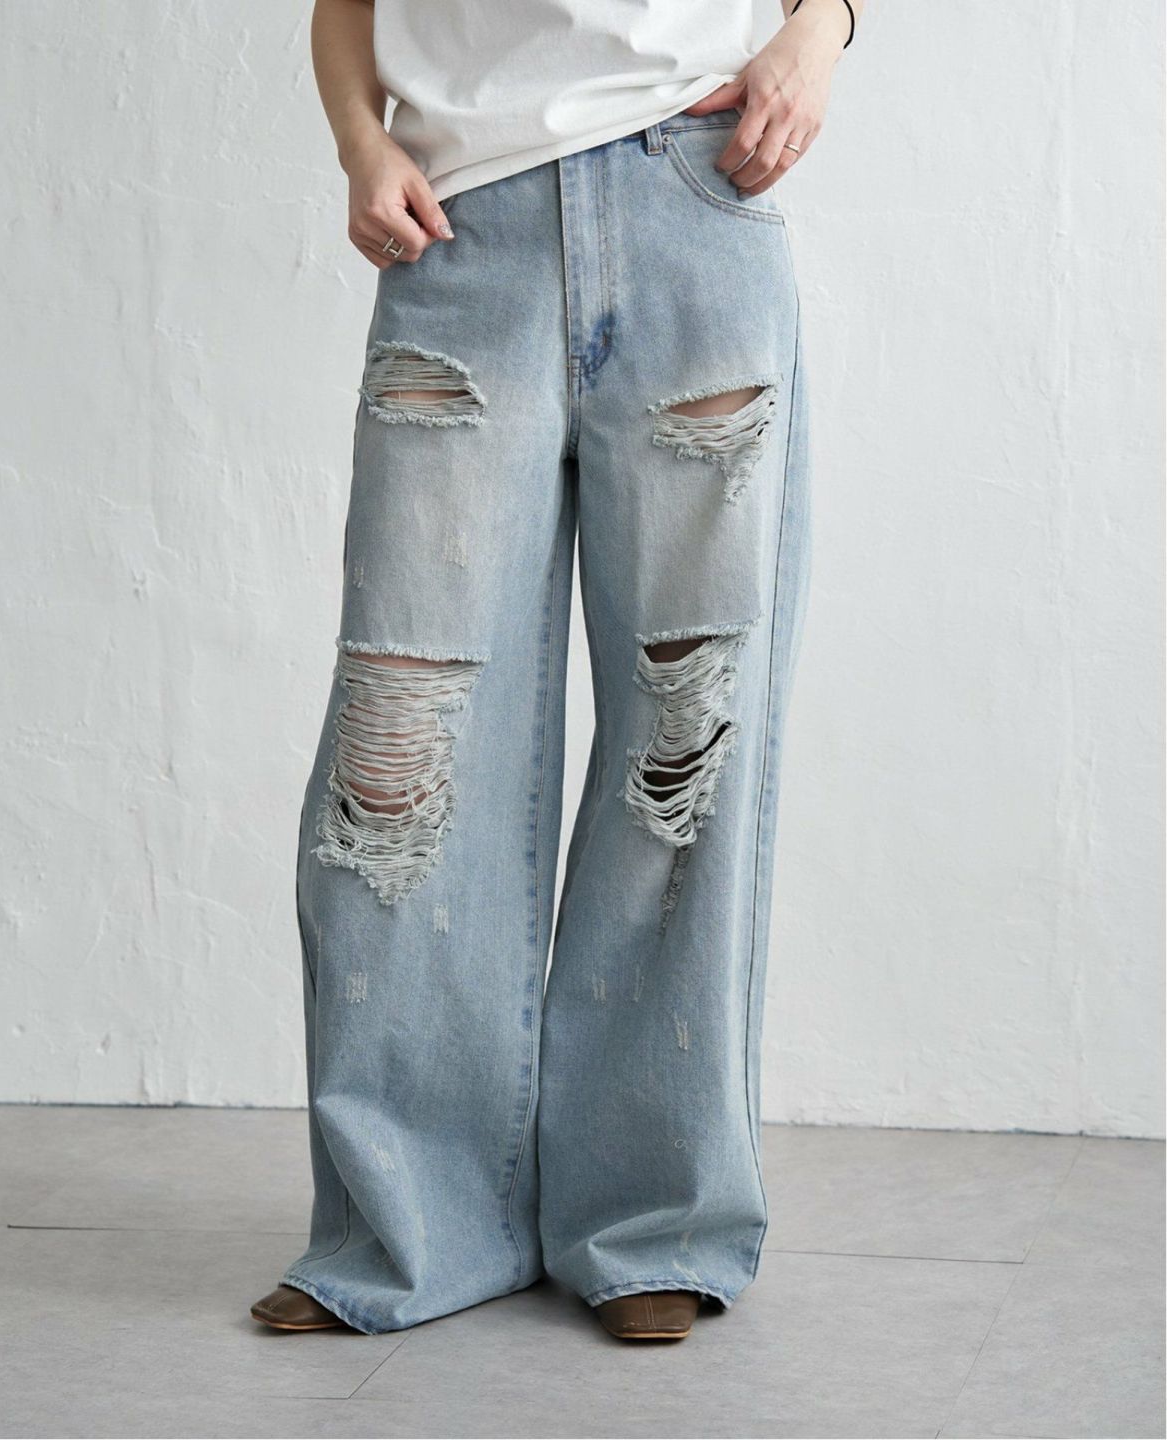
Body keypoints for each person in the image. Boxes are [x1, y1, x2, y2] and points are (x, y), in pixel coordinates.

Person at [251, 0, 859, 1344]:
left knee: (685, 747)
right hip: (459, 230)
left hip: (695, 196)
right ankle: (409, 1222)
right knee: (402, 752)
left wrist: (820, 32)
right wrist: (359, 140)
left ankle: (655, 1222)